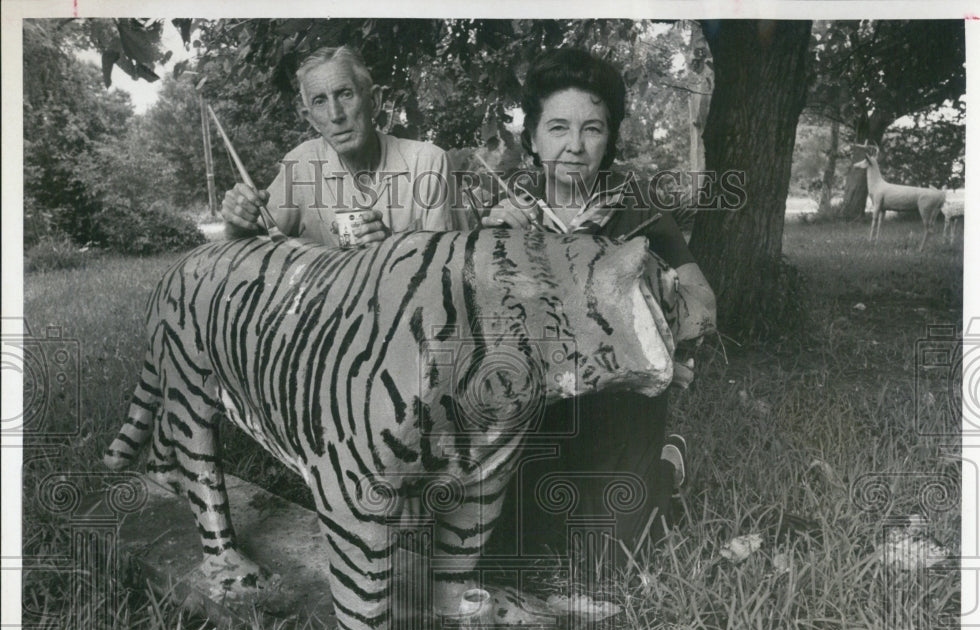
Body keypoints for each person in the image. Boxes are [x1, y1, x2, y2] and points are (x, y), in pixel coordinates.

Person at [482, 48, 717, 560]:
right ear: (533, 136)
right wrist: (494, 249)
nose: (574, 146)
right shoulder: (509, 209)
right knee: (514, 546)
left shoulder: (636, 206)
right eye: (558, 127)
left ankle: (663, 463)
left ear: (609, 139)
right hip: (535, 408)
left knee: (610, 557)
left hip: (619, 406)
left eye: (592, 129)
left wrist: (655, 300)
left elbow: (703, 305)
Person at [222, 46, 465, 245]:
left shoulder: (428, 163)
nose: (335, 114)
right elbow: (255, 250)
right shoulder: (302, 165)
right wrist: (237, 224)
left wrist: (393, 247)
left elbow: (451, 267)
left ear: (374, 101)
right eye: (320, 101)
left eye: (345, 94)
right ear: (311, 120)